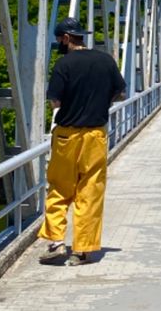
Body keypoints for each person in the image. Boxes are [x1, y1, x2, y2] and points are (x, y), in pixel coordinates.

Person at [35, 17, 126, 266]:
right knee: (90, 190)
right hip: (95, 135)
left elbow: (55, 101)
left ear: (65, 38)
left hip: (67, 135)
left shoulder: (64, 64)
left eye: (58, 41)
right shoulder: (105, 60)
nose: (59, 45)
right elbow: (120, 92)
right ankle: (83, 249)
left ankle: (55, 241)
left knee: (59, 188)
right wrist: (100, 103)